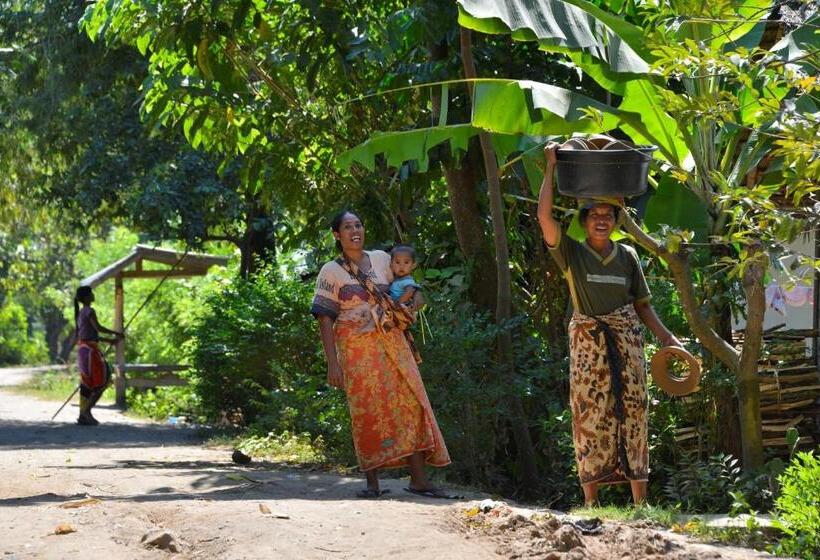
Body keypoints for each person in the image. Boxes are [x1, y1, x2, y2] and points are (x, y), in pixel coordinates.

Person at [537, 143, 681, 506]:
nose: (601, 219)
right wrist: (551, 167)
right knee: (590, 414)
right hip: (588, 349)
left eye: (608, 214)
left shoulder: (628, 256)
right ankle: (591, 502)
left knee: (634, 412)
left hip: (628, 345)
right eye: (594, 214)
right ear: (584, 221)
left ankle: (640, 502)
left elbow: (642, 307)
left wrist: (667, 338)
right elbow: (544, 219)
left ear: (616, 222)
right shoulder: (571, 253)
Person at [312, 211, 453, 498]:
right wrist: (333, 364)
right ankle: (372, 484)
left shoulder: (380, 258)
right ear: (336, 235)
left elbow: (407, 287)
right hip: (357, 351)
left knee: (409, 404)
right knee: (366, 410)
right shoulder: (330, 271)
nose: (355, 230)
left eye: (359, 224)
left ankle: (418, 480)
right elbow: (325, 319)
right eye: (348, 226)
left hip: (393, 343)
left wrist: (414, 303)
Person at [73, 286, 123, 426]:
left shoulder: (80, 312)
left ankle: (83, 415)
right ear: (87, 297)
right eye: (91, 293)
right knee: (102, 382)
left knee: (87, 384)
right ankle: (86, 412)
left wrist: (110, 340)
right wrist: (116, 333)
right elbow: (98, 328)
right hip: (91, 352)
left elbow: (88, 335)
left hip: (83, 350)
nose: (93, 294)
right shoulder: (89, 311)